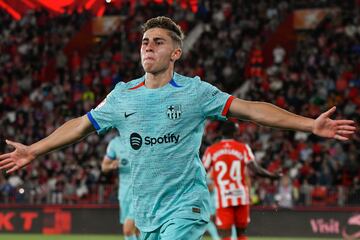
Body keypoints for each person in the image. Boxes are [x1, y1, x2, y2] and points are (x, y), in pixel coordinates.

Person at [0, 16, 356, 240]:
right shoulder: (122, 96)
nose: (148, 47)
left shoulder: (196, 92)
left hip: (187, 203)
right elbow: (80, 126)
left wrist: (309, 125)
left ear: (176, 53)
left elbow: (251, 110)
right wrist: (33, 149)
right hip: (145, 212)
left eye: (158, 42)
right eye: (144, 41)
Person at [202, 121, 282, 240]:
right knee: (241, 234)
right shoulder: (243, 148)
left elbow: (202, 172)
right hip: (241, 196)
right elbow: (256, 170)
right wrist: (272, 175)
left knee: (225, 234)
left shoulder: (211, 150)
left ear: (220, 133)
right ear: (235, 132)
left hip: (223, 197)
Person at [101, 136, 138, 240]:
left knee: (128, 229)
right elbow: (104, 167)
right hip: (124, 193)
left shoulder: (143, 137)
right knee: (136, 231)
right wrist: (111, 165)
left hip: (141, 193)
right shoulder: (115, 143)